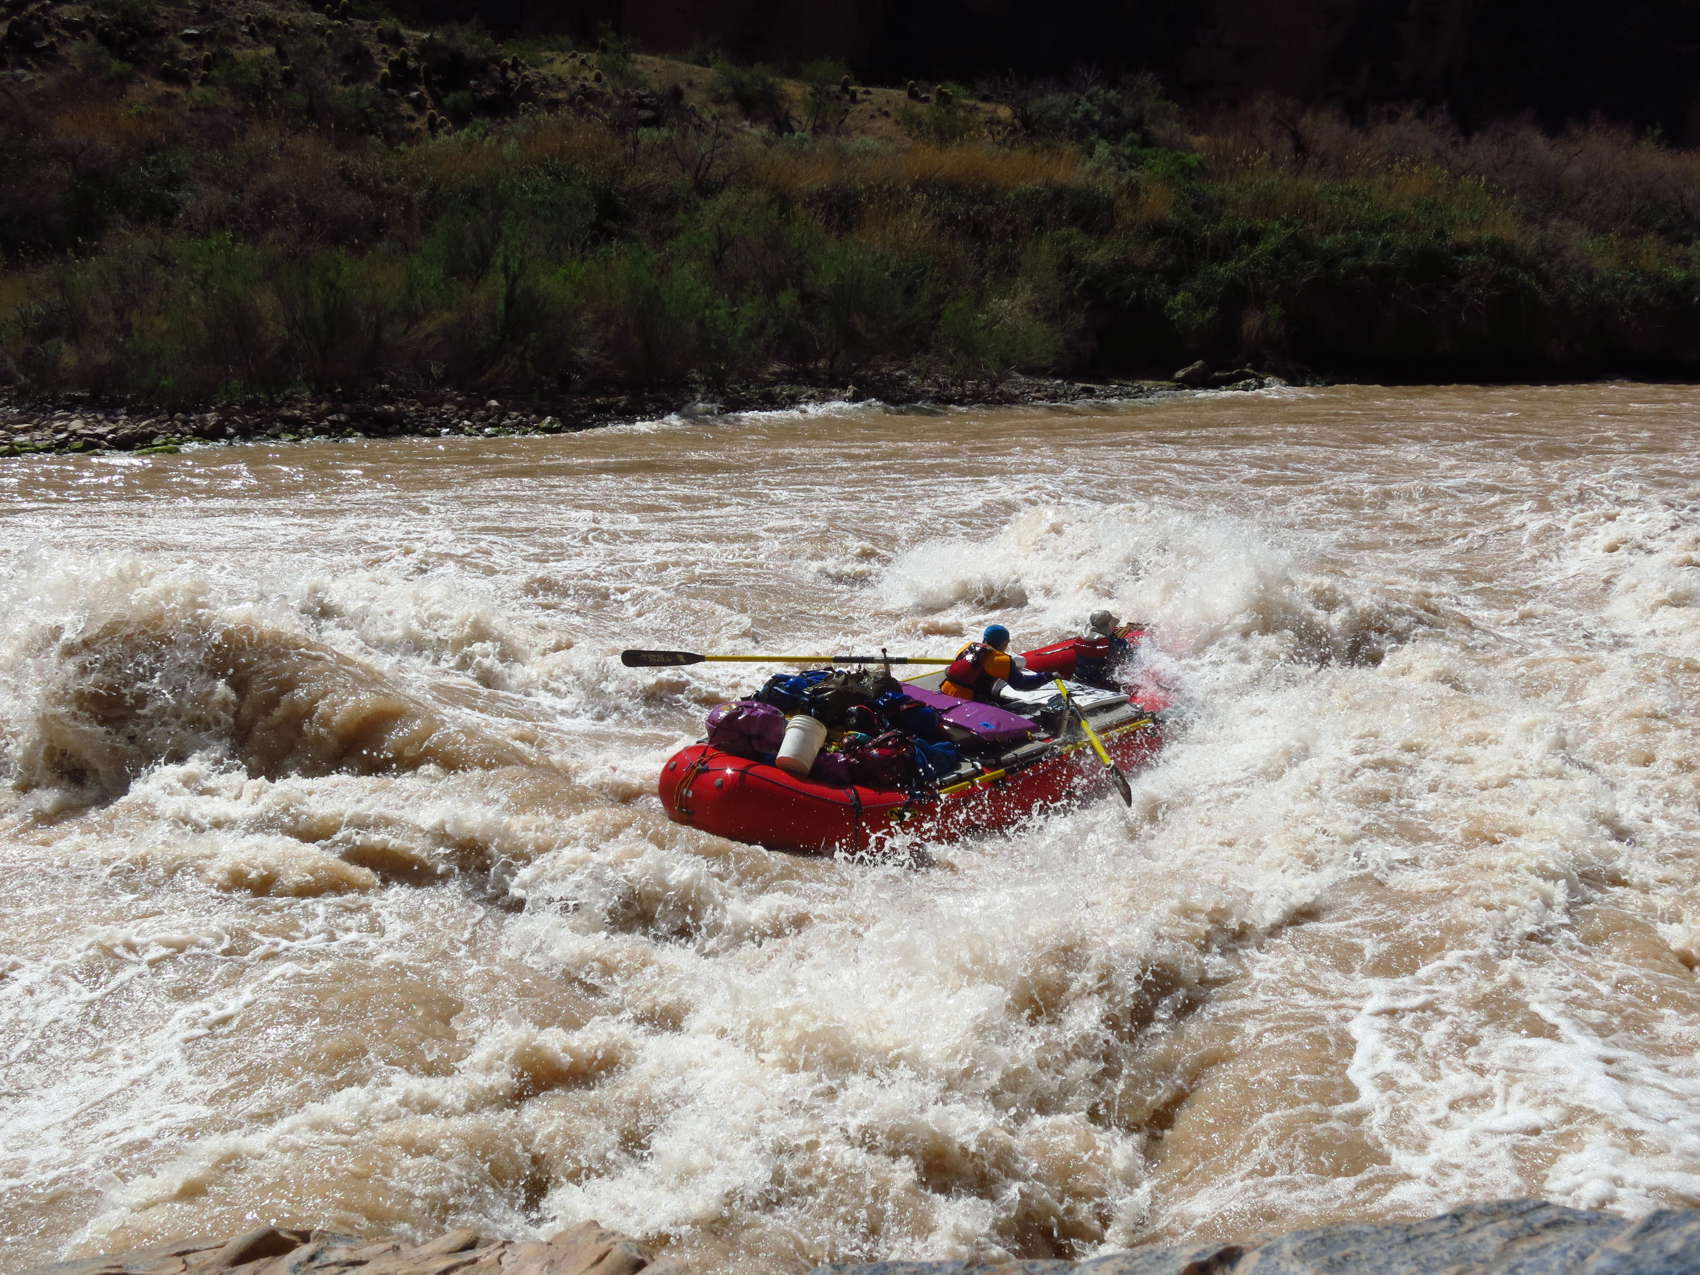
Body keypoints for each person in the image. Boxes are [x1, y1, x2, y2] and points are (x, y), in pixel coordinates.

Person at [941, 624, 1054, 702]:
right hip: (967, 701)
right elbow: (1022, 684)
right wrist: (1046, 676)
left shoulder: (967, 646)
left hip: (945, 691)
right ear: (1004, 643)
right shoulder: (1002, 660)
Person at [1075, 609, 1131, 690]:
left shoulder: (1080, 639)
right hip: (1101, 685)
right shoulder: (1112, 643)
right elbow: (1127, 658)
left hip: (1080, 679)